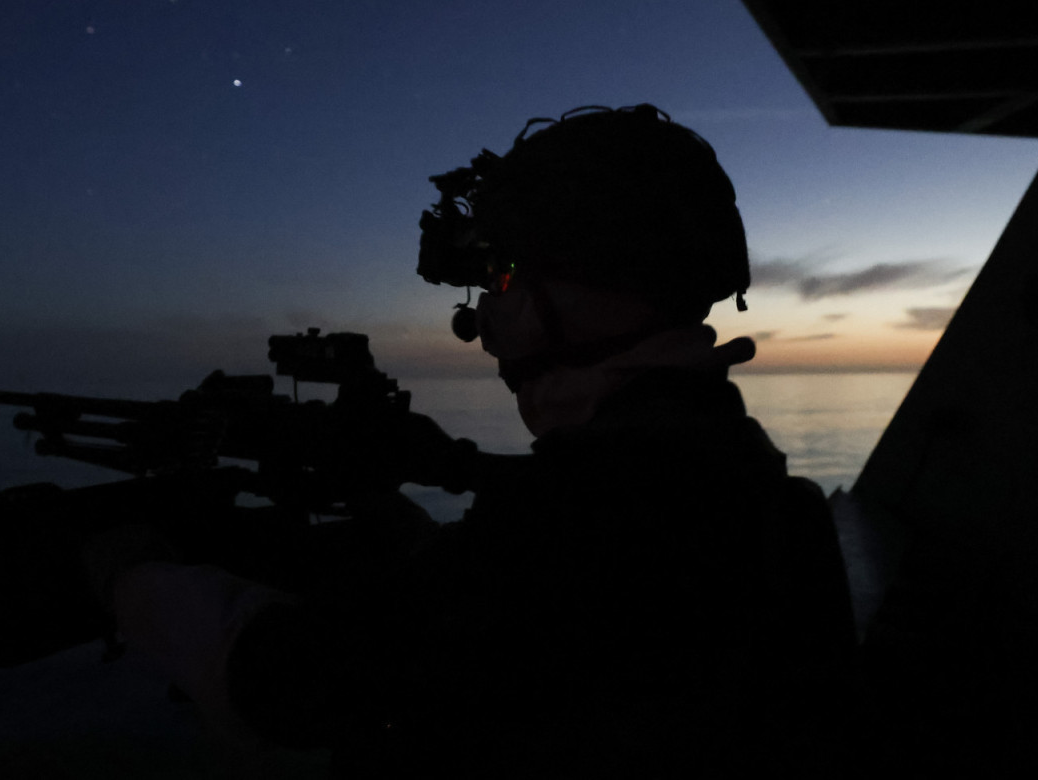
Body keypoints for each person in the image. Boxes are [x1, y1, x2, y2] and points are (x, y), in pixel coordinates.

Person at [83, 104, 858, 777]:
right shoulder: (721, 452)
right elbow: (538, 598)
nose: (486, 323)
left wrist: (131, 574)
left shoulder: (590, 518)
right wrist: (438, 484)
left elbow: (285, 682)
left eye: (506, 279)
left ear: (592, 283)